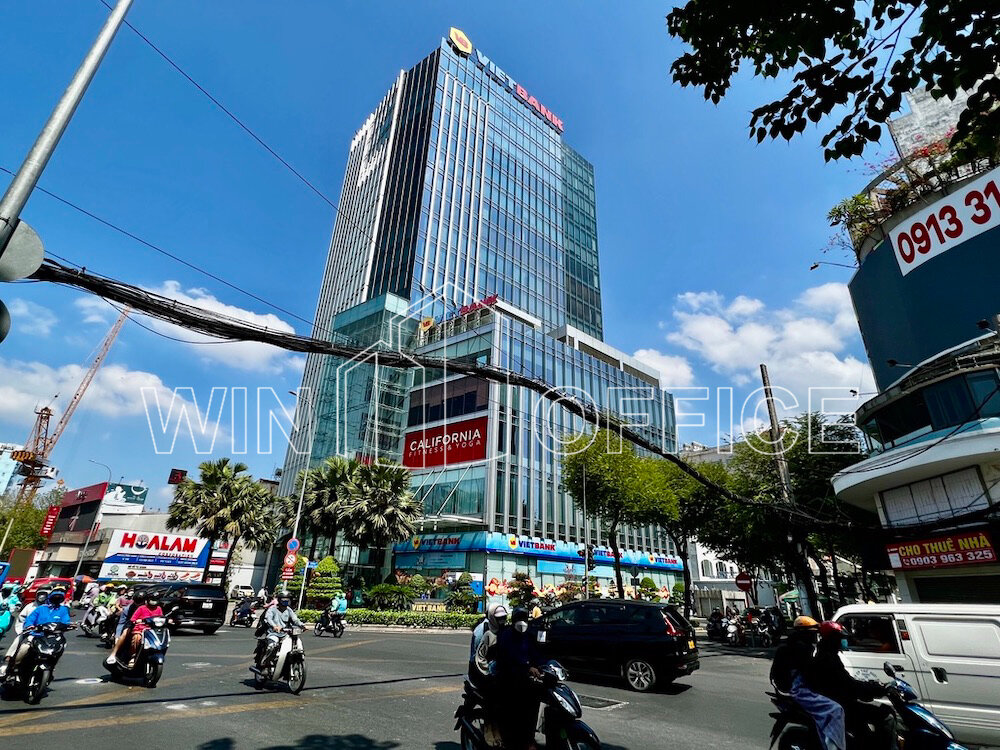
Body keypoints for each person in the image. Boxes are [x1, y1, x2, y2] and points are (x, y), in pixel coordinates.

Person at [806, 621, 897, 750]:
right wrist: (875, 690)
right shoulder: (827, 659)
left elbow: (847, 681)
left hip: (842, 702)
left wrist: (871, 687)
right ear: (833, 639)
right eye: (840, 638)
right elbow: (848, 685)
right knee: (886, 715)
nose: (843, 641)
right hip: (841, 705)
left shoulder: (829, 655)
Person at [492, 607, 543, 750]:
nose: (522, 622)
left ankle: (528, 738)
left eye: (523, 618)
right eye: (519, 619)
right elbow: (507, 656)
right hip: (508, 679)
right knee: (515, 710)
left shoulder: (529, 635)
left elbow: (536, 654)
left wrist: (543, 664)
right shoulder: (506, 635)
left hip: (525, 679)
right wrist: (526, 666)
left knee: (534, 703)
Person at [1, 587, 72, 679]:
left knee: (60, 647)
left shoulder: (63, 609)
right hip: (35, 635)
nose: (56, 600)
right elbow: (28, 619)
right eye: (55, 597)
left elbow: (66, 621)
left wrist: (67, 626)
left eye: (59, 597)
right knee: (23, 648)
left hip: (53, 636)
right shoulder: (39, 608)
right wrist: (29, 626)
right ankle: (11, 664)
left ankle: (51, 666)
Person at [255, 595, 303, 667]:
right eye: (284, 600)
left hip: (285, 634)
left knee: (295, 646)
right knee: (272, 646)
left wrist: (302, 625)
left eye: (287, 600)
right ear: (279, 601)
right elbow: (269, 619)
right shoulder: (272, 609)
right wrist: (274, 626)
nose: (286, 602)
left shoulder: (289, 610)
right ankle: (266, 662)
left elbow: (295, 620)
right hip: (273, 633)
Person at [471, 604, 508, 689]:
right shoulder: (484, 632)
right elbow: (479, 657)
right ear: (491, 617)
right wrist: (488, 672)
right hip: (486, 671)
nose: (502, 621)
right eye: (499, 618)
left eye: (503, 617)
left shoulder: (505, 631)